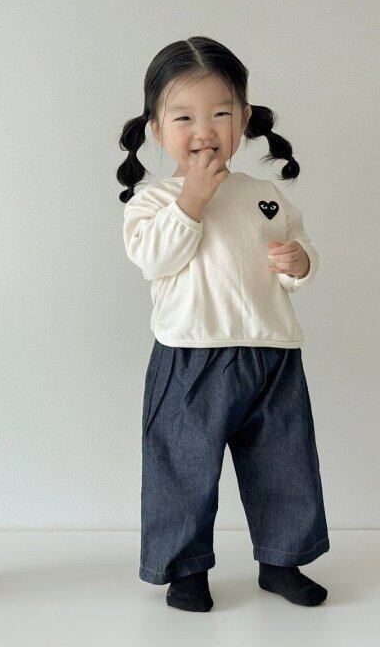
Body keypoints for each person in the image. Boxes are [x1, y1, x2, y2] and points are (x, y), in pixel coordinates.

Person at [118, 36, 328, 612]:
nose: (204, 130)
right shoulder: (153, 200)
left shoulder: (264, 195)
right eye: (183, 117)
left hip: (272, 351)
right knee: (183, 467)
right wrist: (191, 199)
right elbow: (154, 259)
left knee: (284, 461)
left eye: (220, 113)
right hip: (191, 355)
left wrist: (300, 263)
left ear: (244, 119)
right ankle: (185, 570)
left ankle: (282, 560)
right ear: (157, 129)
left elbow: (296, 251)